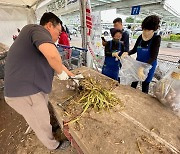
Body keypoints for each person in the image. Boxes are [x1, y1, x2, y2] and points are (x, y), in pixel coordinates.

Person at [4, 12, 79, 150]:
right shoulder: (36, 29)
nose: (58, 36)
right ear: (49, 25)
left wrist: (72, 75)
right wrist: (61, 73)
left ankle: (48, 127)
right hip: (23, 92)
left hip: (33, 87)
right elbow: (53, 57)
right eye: (59, 31)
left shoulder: (38, 41)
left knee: (43, 110)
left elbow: (56, 61)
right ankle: (53, 145)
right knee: (40, 122)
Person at [122, 15, 161, 94]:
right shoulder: (141, 37)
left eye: (148, 30)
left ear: (153, 29)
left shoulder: (156, 38)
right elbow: (134, 50)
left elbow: (154, 56)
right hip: (138, 63)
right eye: (144, 29)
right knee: (134, 82)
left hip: (149, 65)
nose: (145, 32)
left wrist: (143, 68)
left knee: (145, 84)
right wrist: (127, 53)